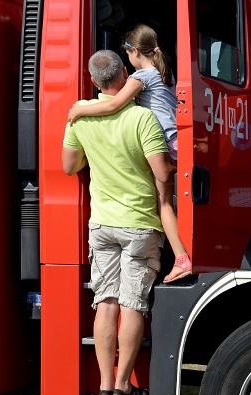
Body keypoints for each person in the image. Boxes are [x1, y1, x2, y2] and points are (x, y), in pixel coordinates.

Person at [62, 50, 175, 395]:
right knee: (132, 304)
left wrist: (92, 154)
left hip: (102, 224)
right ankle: (125, 385)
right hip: (140, 225)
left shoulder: (80, 116)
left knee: (106, 303)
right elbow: (162, 172)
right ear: (124, 73)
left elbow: (68, 166)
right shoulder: (143, 118)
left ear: (94, 81)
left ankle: (105, 387)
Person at [68, 25, 192, 284]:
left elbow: (114, 104)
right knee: (173, 202)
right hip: (177, 142)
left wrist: (80, 111)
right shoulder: (164, 73)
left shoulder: (142, 76)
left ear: (134, 51)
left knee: (165, 206)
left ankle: (182, 259)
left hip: (166, 144)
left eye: (128, 56)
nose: (128, 63)